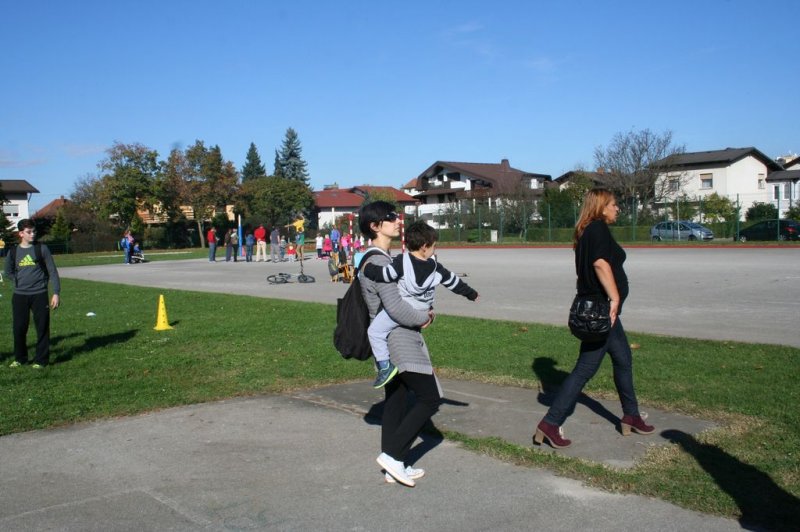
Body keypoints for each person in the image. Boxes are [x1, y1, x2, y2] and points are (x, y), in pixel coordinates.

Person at [533, 188, 654, 449]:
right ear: (600, 206)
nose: (617, 208)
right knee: (585, 369)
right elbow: (600, 264)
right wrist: (614, 298)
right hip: (603, 311)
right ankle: (550, 424)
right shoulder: (597, 229)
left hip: (601, 311)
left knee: (623, 359)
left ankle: (630, 415)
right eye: (613, 204)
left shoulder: (586, 230)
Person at [358, 201, 438, 488]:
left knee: (396, 400)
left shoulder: (381, 256)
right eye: (390, 218)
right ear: (374, 226)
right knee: (430, 398)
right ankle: (393, 456)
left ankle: (395, 463)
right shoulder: (377, 261)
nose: (397, 220)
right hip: (398, 338)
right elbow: (393, 307)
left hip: (398, 335)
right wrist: (423, 317)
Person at [362, 220, 479, 388]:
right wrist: (471, 294)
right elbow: (455, 283)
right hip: (423, 309)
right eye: (434, 246)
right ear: (425, 246)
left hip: (404, 309)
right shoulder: (437, 268)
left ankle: (384, 366)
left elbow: (385, 275)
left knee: (374, 332)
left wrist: (367, 268)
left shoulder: (402, 261)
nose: (434, 249)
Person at [4, 219, 61, 368]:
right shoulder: (13, 251)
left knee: (42, 327)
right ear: (21, 233)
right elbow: (8, 271)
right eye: (29, 232)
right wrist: (17, 280)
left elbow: (52, 272)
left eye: (34, 231)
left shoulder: (42, 249)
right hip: (19, 296)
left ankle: (41, 360)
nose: (33, 234)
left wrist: (55, 293)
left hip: (39, 294)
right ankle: (20, 358)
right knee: (19, 328)